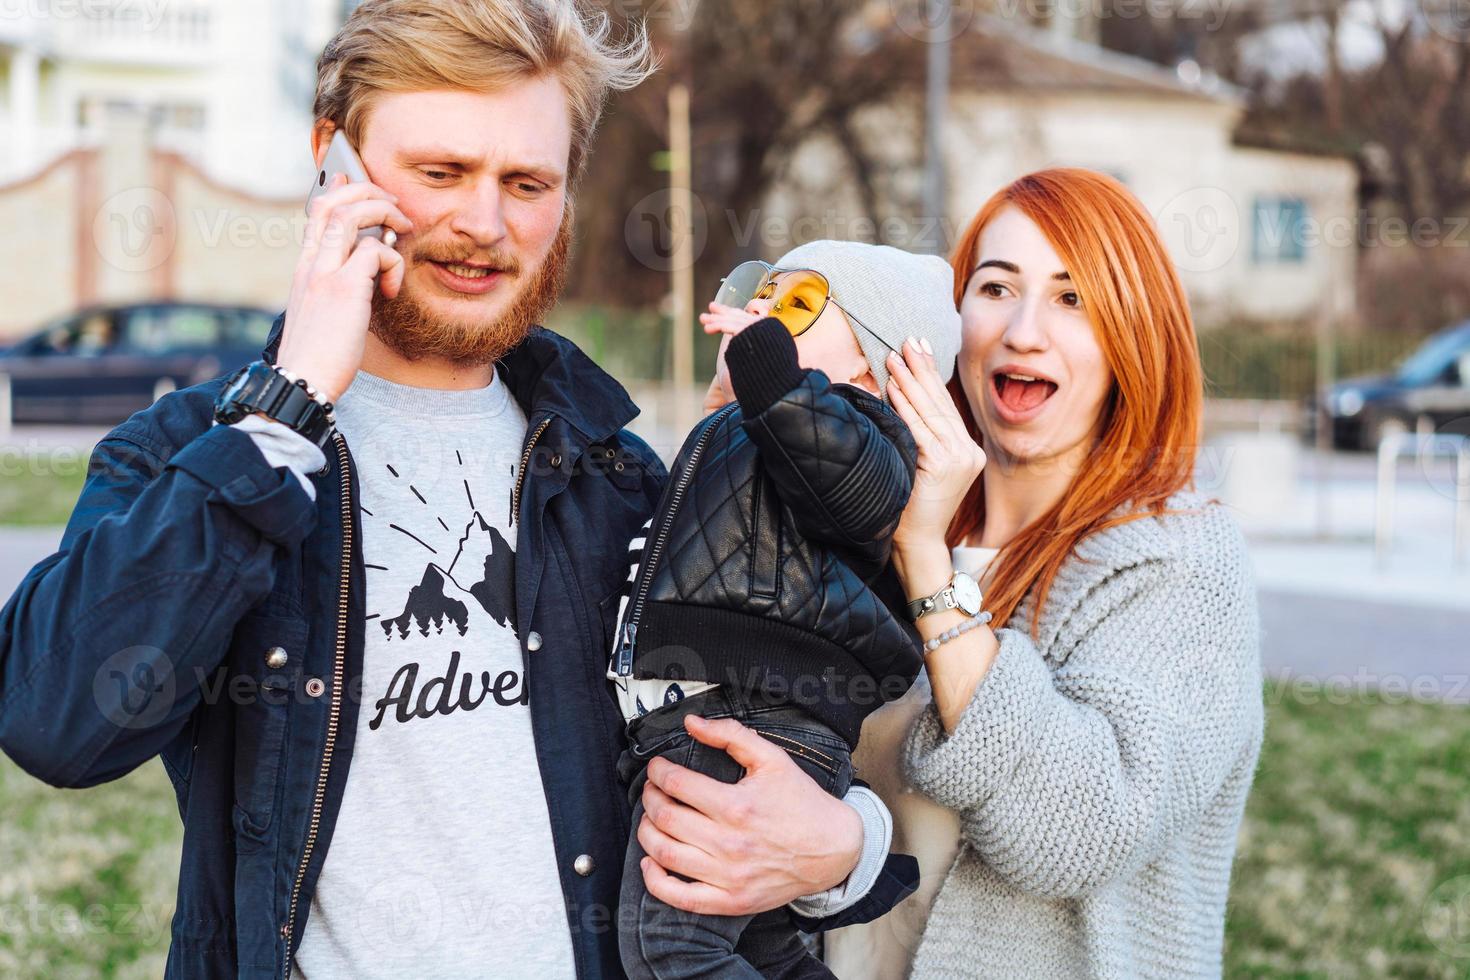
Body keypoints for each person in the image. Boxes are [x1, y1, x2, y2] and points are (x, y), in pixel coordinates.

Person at [0, 3, 897, 976]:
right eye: (441, 172)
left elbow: (798, 712)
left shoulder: (632, 481)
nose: (484, 222)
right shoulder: (195, 453)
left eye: (525, 181)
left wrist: (845, 847)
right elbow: (60, 720)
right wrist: (285, 408)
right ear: (331, 159)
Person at [823, 168, 1265, 979]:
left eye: (1073, 299)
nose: (1025, 331)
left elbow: (1079, 830)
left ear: (1133, 336)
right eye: (996, 287)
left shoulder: (1181, 563)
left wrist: (927, 563)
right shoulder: (878, 527)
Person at [610, 241, 961, 978]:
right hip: (722, 713)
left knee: (672, 948)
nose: (765, 314)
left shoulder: (869, 430)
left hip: (748, 715)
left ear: (876, 363)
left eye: (798, 306)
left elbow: (856, 488)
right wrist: (720, 420)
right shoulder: (767, 429)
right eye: (761, 298)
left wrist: (765, 364)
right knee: (764, 947)